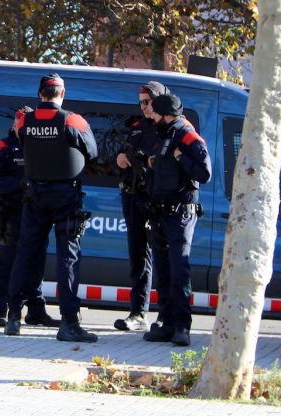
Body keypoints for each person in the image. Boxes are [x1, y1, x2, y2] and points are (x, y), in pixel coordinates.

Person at [4, 73, 99, 343]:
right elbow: (92, 152)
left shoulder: (24, 121)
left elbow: (23, 141)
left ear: (40, 94)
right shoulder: (73, 120)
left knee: (26, 254)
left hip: (34, 194)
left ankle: (13, 317)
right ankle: (69, 322)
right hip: (65, 196)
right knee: (67, 258)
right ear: (62, 94)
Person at [142, 94, 211, 347]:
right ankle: (167, 323)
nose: (153, 119)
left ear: (166, 114)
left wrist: (181, 157)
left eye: (156, 114)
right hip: (161, 213)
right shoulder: (166, 134)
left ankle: (182, 326)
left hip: (180, 214)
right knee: (163, 271)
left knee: (179, 270)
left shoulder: (187, 136)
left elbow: (204, 173)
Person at [0, 106, 59, 328]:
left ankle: (36, 311)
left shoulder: (42, 146)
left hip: (38, 212)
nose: (26, 128)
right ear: (15, 125)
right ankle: (0, 311)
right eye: (22, 124)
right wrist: (19, 184)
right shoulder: (3, 148)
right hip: (13, 214)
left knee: (36, 263)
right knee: (7, 264)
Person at [113, 81, 169, 332]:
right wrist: (120, 160)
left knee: (165, 257)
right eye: (141, 103)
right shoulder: (136, 128)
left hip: (159, 200)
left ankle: (166, 314)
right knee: (138, 255)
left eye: (147, 102)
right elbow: (116, 158)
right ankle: (138, 312)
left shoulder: (171, 128)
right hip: (134, 197)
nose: (144, 107)